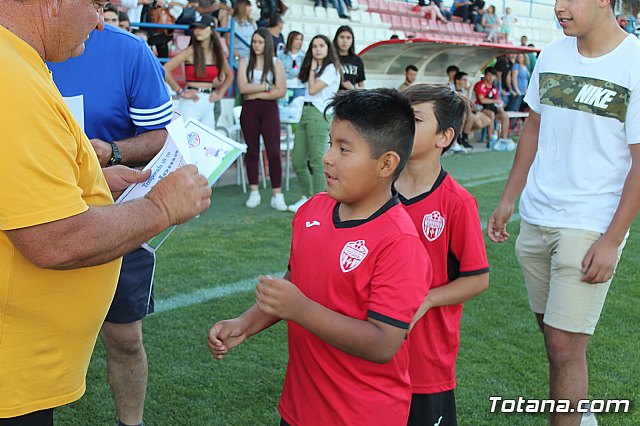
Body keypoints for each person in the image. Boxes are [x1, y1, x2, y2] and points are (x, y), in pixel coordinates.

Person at [0, 2, 211, 423]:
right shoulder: (11, 74)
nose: (100, 21)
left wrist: (91, 182)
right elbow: (54, 239)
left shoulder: (20, 61)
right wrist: (161, 206)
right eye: (96, 4)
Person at [208, 88, 431, 426]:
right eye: (330, 143)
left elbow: (384, 343)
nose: (327, 157)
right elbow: (295, 284)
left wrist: (301, 309)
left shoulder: (399, 242)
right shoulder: (313, 210)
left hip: (363, 417)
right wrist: (244, 324)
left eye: (344, 149)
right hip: (299, 409)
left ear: (386, 164)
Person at [487, 1, 640, 425]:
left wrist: (611, 240)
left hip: (591, 222)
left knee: (562, 344)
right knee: (553, 334)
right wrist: (509, 199)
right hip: (537, 215)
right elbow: (533, 128)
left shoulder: (635, 62)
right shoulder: (552, 54)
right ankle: (580, 408)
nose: (559, 6)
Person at [46, 21, 175, 426]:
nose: (101, 18)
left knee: (125, 339)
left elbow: (162, 135)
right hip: (35, 219)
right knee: (31, 340)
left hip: (115, 217)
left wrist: (112, 151)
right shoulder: (16, 49)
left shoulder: (128, 51)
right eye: (96, 5)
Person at [395, 83, 489, 426]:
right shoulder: (375, 190)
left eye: (416, 119)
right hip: (370, 353)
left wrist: (428, 300)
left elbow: (477, 279)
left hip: (426, 361)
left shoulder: (456, 202)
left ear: (444, 137)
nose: (402, 124)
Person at [287, 35, 341, 213]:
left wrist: (312, 69)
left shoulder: (331, 68)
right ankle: (308, 196)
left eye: (321, 45)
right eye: (314, 46)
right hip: (306, 112)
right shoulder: (316, 67)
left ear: (328, 48)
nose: (317, 49)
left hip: (319, 114)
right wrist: (311, 68)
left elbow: (312, 89)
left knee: (317, 161)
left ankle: (319, 203)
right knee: (298, 160)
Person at [237, 27, 287, 210]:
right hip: (249, 110)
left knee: (273, 152)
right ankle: (254, 192)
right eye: (254, 42)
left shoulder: (276, 63)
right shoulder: (245, 61)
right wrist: (266, 87)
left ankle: (277, 194)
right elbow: (242, 88)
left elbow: (280, 91)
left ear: (267, 44)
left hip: (269, 109)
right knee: (252, 151)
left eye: (260, 42)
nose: (256, 45)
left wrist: (255, 92)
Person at [164, 14, 233, 130]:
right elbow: (165, 69)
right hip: (191, 101)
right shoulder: (190, 51)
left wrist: (220, 93)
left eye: (202, 28)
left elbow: (229, 75)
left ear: (211, 30)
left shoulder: (217, 52)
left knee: (208, 139)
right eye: (196, 28)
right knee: (188, 138)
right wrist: (180, 91)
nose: (197, 31)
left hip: (209, 101)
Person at [473, 67, 509, 146]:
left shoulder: (494, 88)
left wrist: (501, 108)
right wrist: (495, 101)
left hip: (492, 109)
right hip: (480, 108)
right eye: (489, 75)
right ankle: (490, 139)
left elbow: (497, 102)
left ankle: (503, 139)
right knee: (491, 115)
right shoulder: (479, 85)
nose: (490, 78)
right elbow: (482, 100)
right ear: (485, 75)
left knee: (505, 116)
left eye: (492, 76)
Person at [454, 71, 491, 148]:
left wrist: (468, 91)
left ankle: (464, 134)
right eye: (464, 80)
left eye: (467, 80)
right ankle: (463, 138)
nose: (466, 82)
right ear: (457, 81)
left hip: (470, 111)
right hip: (460, 113)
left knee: (488, 121)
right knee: (470, 117)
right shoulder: (453, 91)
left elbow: (470, 103)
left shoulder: (465, 91)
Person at [333, 26, 365, 91]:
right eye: (342, 37)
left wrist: (353, 89)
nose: (345, 41)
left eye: (348, 38)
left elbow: (362, 86)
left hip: (350, 95)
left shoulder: (357, 60)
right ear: (336, 39)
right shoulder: (331, 58)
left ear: (352, 40)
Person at [278, 30, 306, 102]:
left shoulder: (304, 56)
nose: (299, 42)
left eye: (301, 39)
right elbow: (279, 71)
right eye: (297, 39)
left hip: (299, 87)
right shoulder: (281, 55)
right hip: (284, 87)